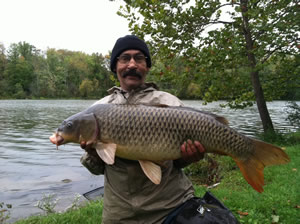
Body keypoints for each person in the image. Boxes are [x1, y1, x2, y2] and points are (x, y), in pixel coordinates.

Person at [80, 35, 207, 224]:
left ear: (147, 67)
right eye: (125, 58)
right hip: (119, 212)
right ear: (115, 67)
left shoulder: (169, 103)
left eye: (139, 58)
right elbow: (97, 169)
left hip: (171, 205)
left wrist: (188, 157)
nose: (132, 64)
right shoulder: (98, 110)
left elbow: (177, 163)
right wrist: (93, 153)